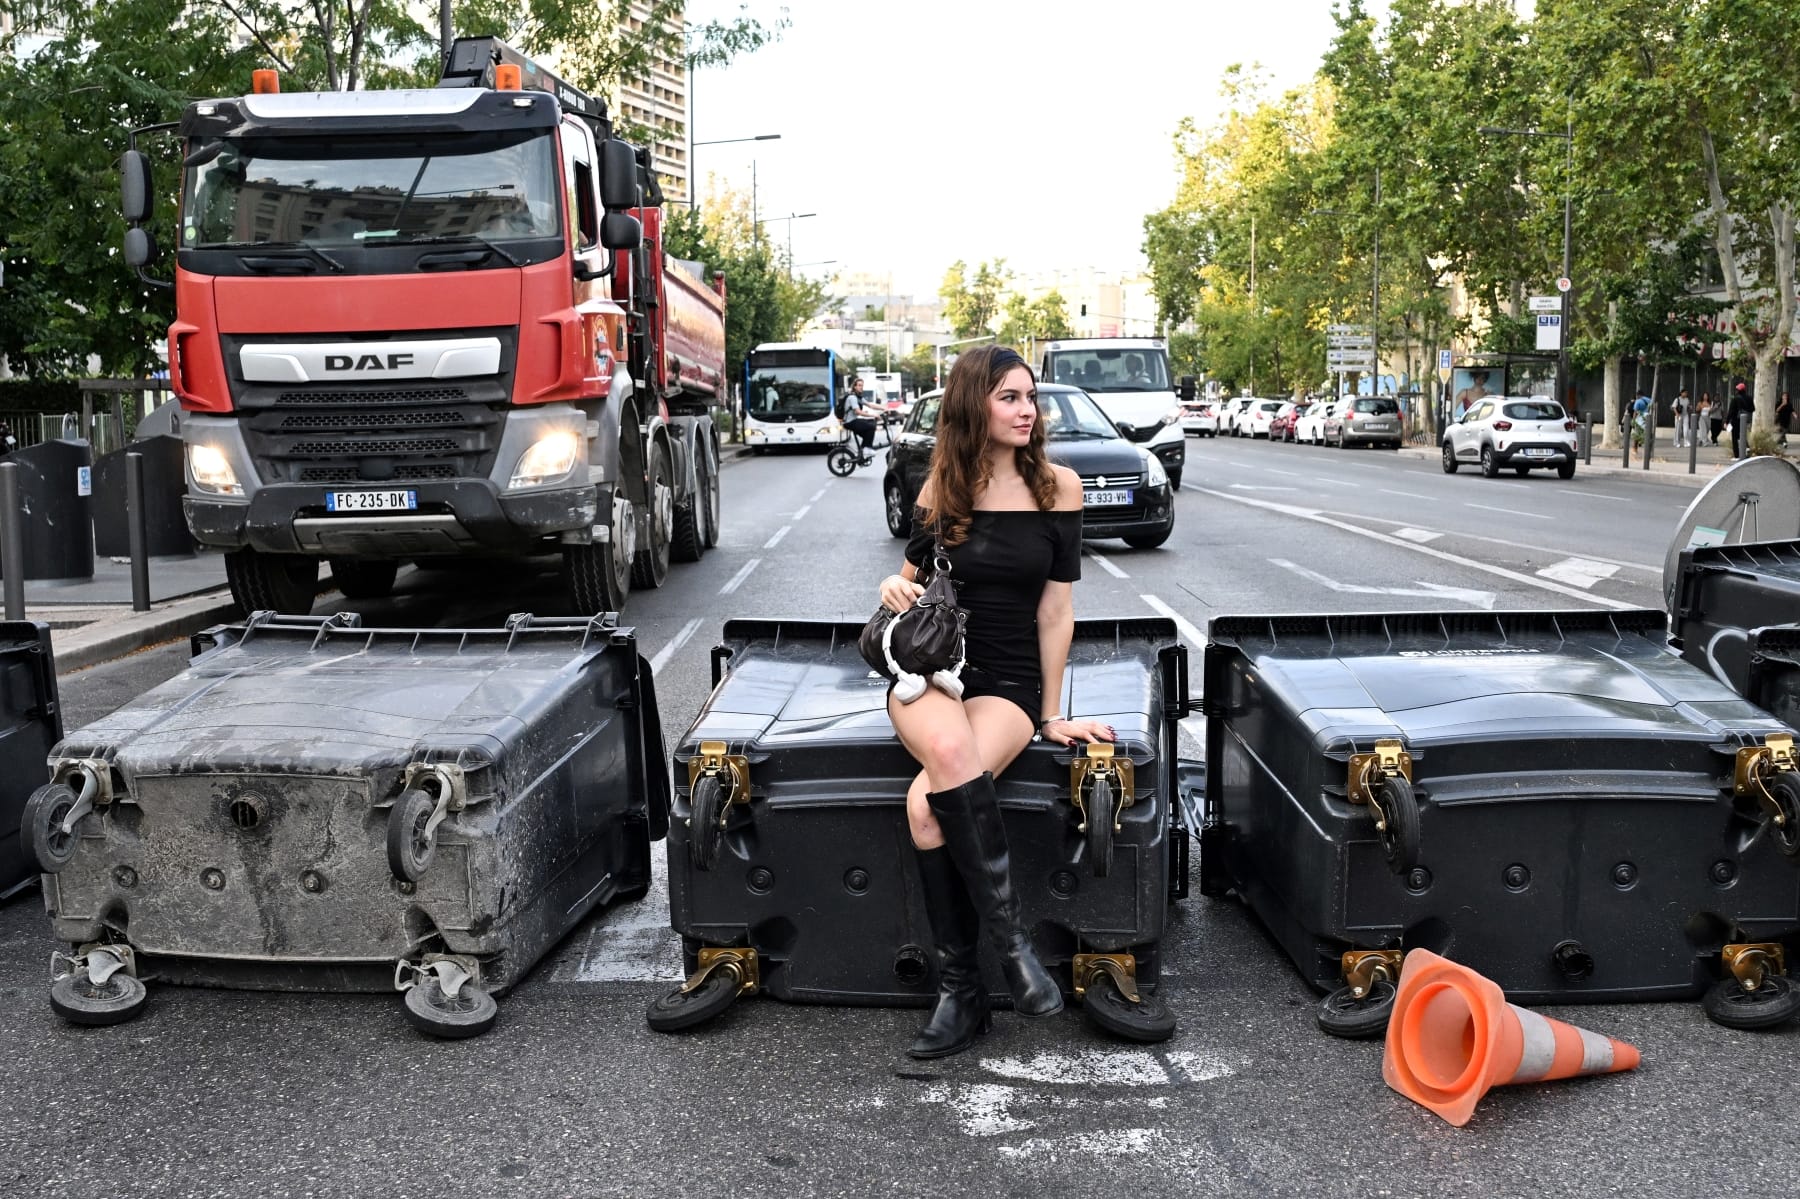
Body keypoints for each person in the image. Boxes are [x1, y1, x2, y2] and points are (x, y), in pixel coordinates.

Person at [876, 344, 1111, 1059]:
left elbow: (1056, 612)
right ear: (974, 403)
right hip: (934, 675)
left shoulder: (1058, 490)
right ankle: (1010, 950)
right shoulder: (938, 488)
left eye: (1030, 397)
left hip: (1007, 682)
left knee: (926, 804)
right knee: (948, 751)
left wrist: (1050, 712)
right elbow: (909, 586)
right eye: (1009, 396)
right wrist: (893, 589)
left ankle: (963, 993)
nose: (1026, 410)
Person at [842, 378, 881, 461]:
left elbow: (870, 405)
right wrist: (873, 415)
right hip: (849, 422)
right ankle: (866, 449)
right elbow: (858, 412)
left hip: (853, 421)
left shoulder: (858, 397)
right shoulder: (852, 397)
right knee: (871, 427)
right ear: (855, 387)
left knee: (868, 432)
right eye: (859, 385)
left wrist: (884, 408)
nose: (861, 387)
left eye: (862, 385)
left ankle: (862, 454)